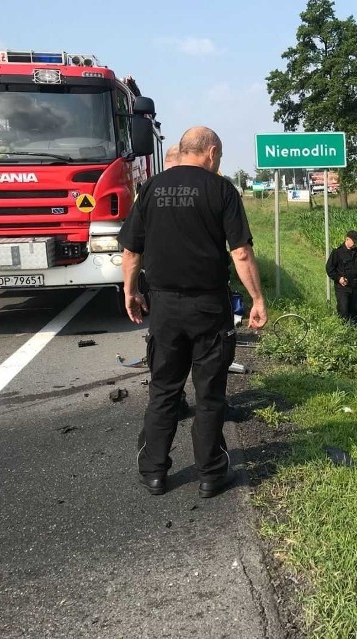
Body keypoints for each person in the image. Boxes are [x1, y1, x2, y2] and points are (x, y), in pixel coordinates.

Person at [119, 126, 267, 499]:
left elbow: (132, 250)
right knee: (210, 392)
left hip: (165, 306)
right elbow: (241, 252)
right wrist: (257, 299)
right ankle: (211, 473)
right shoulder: (220, 189)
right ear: (212, 152)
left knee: (164, 389)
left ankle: (154, 471)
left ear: (183, 150)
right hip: (208, 306)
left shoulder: (151, 188)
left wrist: (131, 290)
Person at [325, 229, 357, 324]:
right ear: (347, 239)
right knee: (343, 310)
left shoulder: (356, 252)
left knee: (355, 311)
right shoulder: (337, 252)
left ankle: (355, 330)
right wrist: (339, 278)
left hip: (354, 286)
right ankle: (343, 329)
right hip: (342, 287)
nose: (356, 244)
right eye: (354, 242)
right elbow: (329, 268)